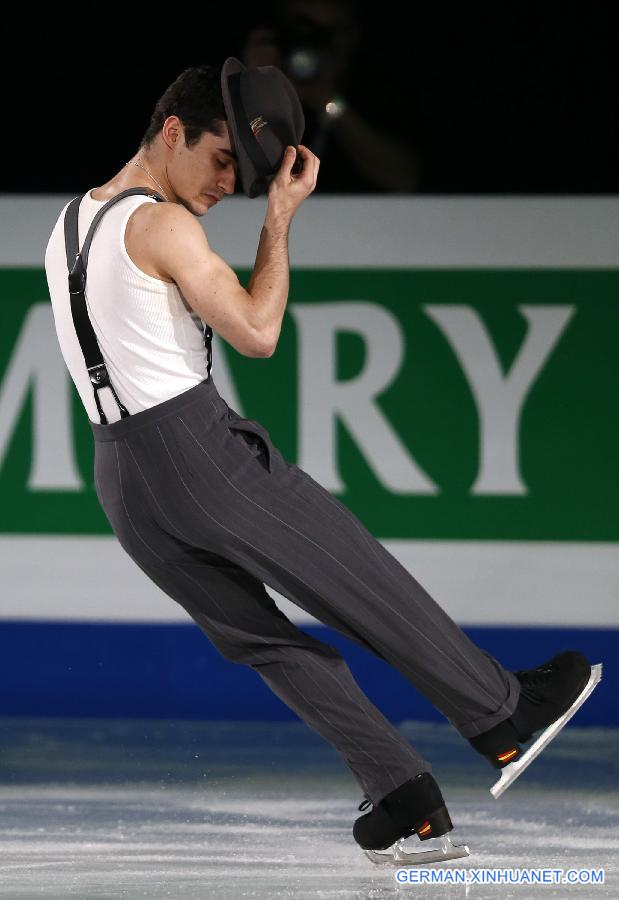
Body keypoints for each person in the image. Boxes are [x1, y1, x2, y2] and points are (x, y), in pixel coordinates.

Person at [44, 58, 598, 865]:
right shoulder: (163, 225)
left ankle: (404, 800)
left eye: (244, 170)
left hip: (124, 482)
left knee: (265, 645)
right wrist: (278, 221)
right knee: (359, 583)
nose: (230, 183)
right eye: (222, 159)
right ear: (172, 132)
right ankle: (504, 714)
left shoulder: (67, 221)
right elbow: (258, 334)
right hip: (199, 453)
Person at [241, 0, 422, 192]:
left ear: (353, 36)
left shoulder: (379, 90)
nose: (317, 44)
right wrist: (254, 90)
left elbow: (404, 179)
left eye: (333, 33)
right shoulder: (254, 82)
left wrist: (327, 101)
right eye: (304, 30)